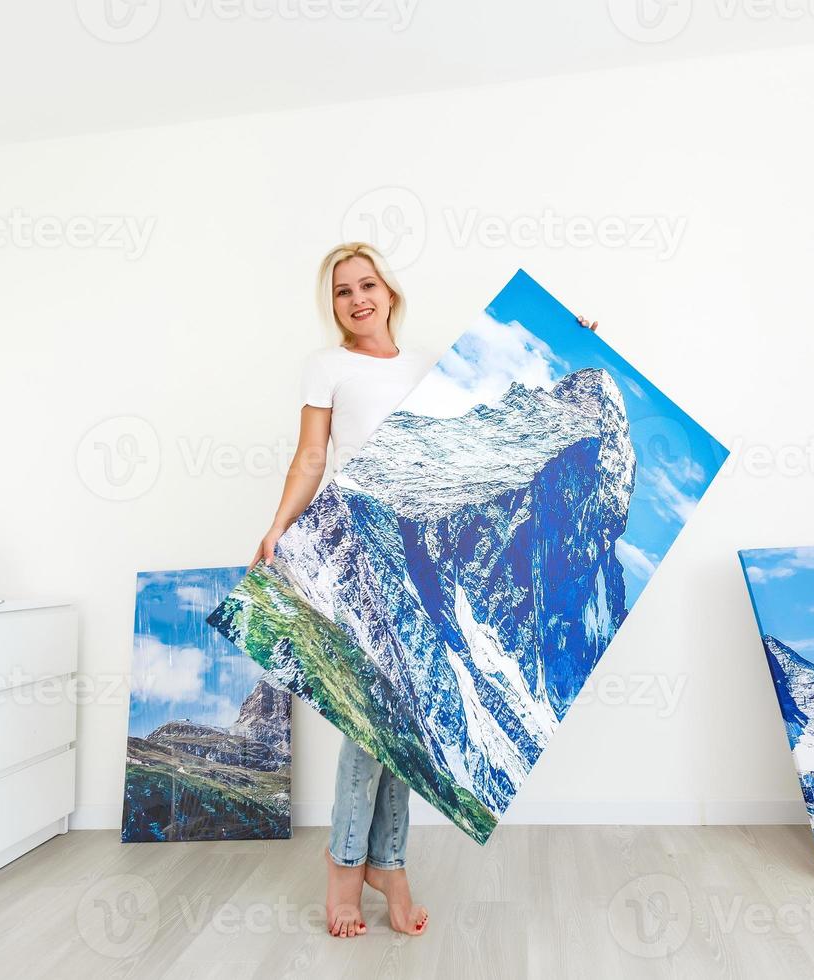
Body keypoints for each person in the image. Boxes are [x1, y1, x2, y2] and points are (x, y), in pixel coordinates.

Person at [249, 241, 597, 939]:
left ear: (390, 292)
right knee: (368, 726)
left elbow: (492, 414)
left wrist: (573, 344)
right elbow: (312, 455)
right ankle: (350, 868)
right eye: (343, 291)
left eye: (367, 284)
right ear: (335, 306)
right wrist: (277, 528)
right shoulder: (327, 367)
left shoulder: (424, 366)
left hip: (425, 559)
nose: (357, 299)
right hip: (358, 552)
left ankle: (387, 863)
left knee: (408, 724)